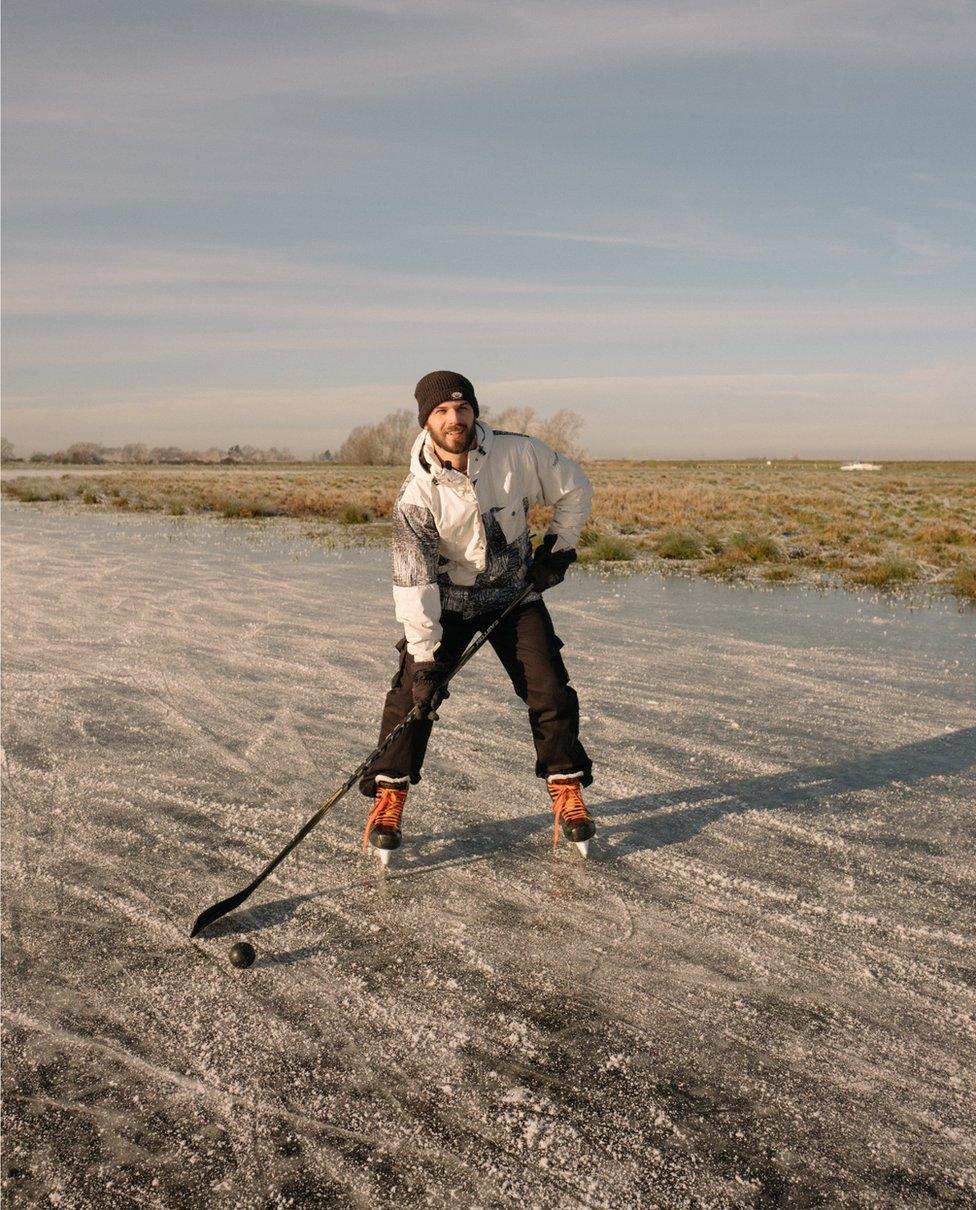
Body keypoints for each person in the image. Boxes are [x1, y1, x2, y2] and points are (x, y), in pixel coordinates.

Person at [360, 370, 596, 864]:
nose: (455, 418)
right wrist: (425, 661)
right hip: (448, 602)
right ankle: (390, 796)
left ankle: (567, 790)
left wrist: (558, 548)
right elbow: (414, 584)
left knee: (548, 685)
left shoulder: (517, 454)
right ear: (426, 421)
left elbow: (574, 486)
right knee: (412, 696)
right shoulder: (415, 497)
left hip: (513, 594)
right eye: (442, 412)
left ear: (474, 412)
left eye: (462, 408)